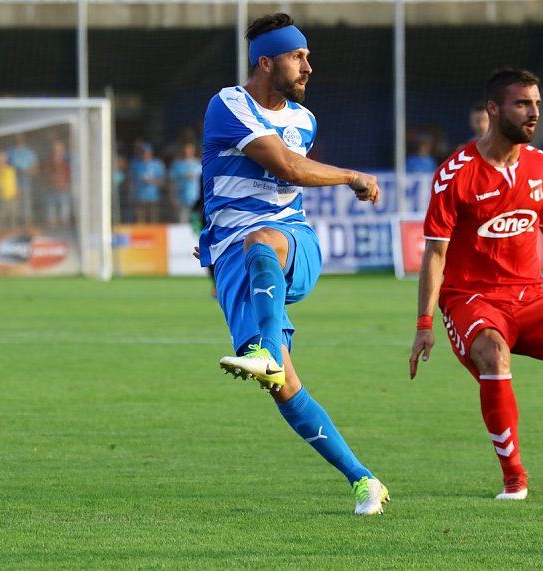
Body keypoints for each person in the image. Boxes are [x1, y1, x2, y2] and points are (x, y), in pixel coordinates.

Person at [196, 13, 389, 516]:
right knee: (284, 385)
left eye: (306, 56)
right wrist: (213, 240)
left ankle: (264, 348)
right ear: (266, 61)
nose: (308, 66)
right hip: (237, 260)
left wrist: (346, 176)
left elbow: (287, 177)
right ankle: (364, 480)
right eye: (297, 57)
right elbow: (282, 166)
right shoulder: (228, 104)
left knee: (264, 237)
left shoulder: (304, 120)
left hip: (292, 242)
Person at [409, 68, 543, 501]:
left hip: (530, 297)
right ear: (493, 109)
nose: (533, 114)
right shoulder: (455, 174)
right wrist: (424, 323)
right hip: (472, 300)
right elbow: (435, 253)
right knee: (493, 353)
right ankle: (515, 478)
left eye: (537, 105)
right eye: (522, 104)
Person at [129, 142, 165, 223]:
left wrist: (151, 181)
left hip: (153, 198)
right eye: (143, 152)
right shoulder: (135, 164)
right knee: (140, 221)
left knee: (153, 221)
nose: (145, 154)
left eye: (147, 152)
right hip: (139, 198)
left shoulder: (157, 164)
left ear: (151, 152)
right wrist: (131, 194)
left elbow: (163, 181)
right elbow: (131, 180)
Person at [7, 133, 39, 226]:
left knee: (26, 206)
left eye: (20, 138)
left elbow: (35, 169)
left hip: (26, 183)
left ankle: (28, 225)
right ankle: (15, 226)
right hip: (11, 185)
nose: (18, 140)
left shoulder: (29, 152)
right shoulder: (9, 151)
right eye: (16, 138)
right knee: (14, 208)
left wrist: (24, 171)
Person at [41, 139, 72, 228]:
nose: (57, 152)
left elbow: (69, 177)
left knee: (64, 214)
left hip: (63, 190)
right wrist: (50, 183)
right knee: (51, 215)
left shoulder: (66, 164)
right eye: (55, 150)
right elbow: (44, 176)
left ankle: (64, 227)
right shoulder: (47, 163)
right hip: (50, 190)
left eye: (59, 150)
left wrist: (65, 184)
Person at [169, 142, 202, 223]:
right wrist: (173, 198)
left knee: (196, 223)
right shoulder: (177, 164)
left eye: (189, 150)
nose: (187, 152)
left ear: (193, 151)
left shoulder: (198, 164)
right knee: (182, 223)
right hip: (181, 199)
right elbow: (172, 182)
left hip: (196, 199)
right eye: (185, 150)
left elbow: (203, 183)